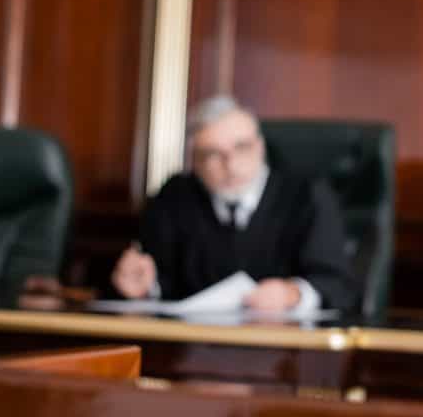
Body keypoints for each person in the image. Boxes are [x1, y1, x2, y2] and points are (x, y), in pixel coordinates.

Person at [111, 95, 357, 313]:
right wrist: (143, 286)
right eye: (212, 154)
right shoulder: (175, 197)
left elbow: (337, 284)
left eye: (242, 147)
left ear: (260, 147)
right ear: (194, 162)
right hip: (190, 349)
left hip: (286, 351)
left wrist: (292, 293)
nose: (230, 164)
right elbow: (162, 278)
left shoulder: (307, 196)